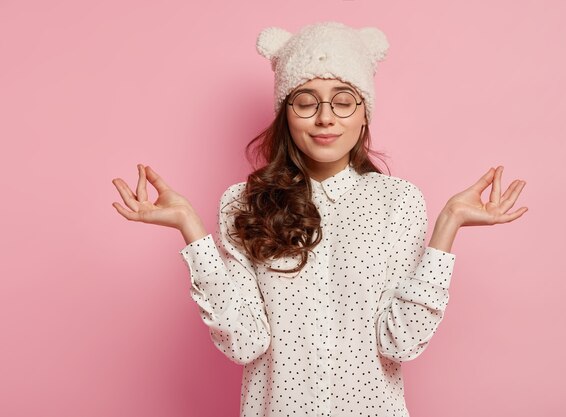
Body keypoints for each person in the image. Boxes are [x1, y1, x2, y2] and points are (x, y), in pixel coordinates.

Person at [112, 21, 527, 417]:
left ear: (365, 113)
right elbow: (243, 342)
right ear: (286, 114)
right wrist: (192, 229)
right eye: (306, 101)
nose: (325, 117)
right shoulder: (244, 203)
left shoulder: (398, 202)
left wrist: (448, 224)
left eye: (344, 101)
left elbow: (400, 341)